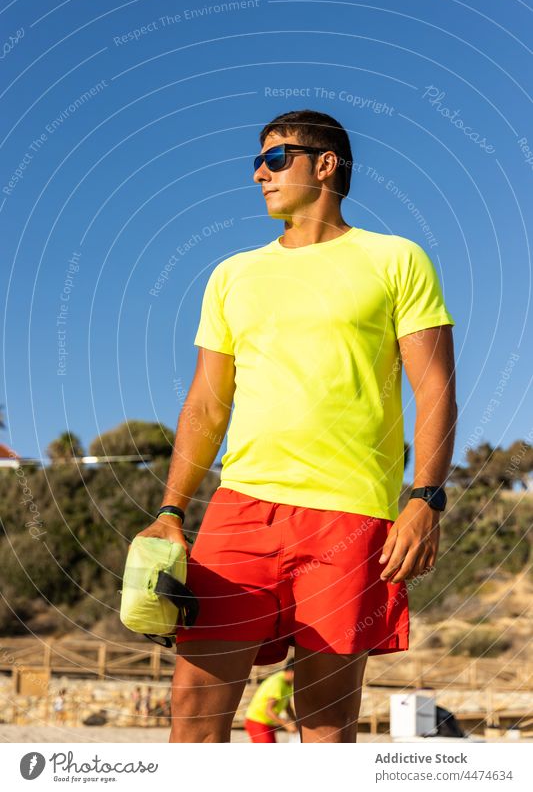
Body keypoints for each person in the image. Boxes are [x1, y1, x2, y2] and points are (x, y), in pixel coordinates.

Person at [135, 109, 457, 743]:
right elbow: (206, 402)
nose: (260, 173)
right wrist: (172, 508)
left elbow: (435, 387)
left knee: (326, 724)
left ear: (326, 164)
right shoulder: (232, 275)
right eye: (257, 161)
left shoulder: (396, 258)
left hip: (349, 513)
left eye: (276, 158)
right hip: (241, 508)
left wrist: (426, 498)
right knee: (193, 711)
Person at [245, 659, 297, 742]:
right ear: (291, 671)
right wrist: (286, 725)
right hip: (257, 721)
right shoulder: (278, 684)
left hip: (268, 723)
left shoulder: (288, 684)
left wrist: (295, 721)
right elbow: (268, 711)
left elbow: (286, 706)